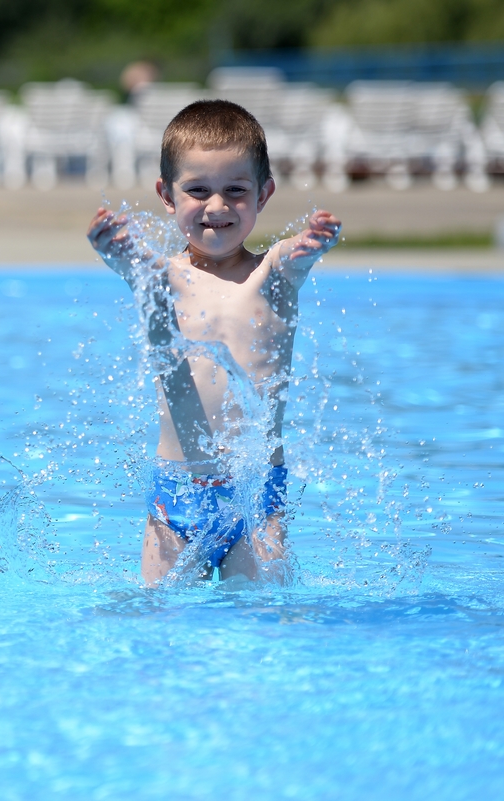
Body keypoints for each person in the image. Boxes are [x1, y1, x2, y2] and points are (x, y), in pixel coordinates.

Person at [86, 100, 341, 586]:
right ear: (167, 194)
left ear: (264, 194)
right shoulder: (163, 278)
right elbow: (134, 262)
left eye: (235, 191)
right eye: (198, 190)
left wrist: (313, 243)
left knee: (263, 618)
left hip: (255, 496)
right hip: (175, 495)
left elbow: (293, 256)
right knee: (159, 620)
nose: (217, 207)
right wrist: (113, 249)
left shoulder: (272, 276)